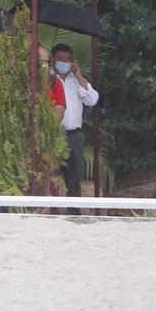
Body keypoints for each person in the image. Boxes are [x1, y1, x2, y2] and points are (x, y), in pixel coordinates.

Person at [51, 43, 99, 197]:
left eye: (67, 59)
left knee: (74, 178)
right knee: (52, 177)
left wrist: (78, 75)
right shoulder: (48, 79)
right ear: (53, 60)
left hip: (74, 136)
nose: (64, 62)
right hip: (55, 135)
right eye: (60, 59)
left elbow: (92, 99)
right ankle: (53, 214)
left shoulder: (76, 79)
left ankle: (74, 214)